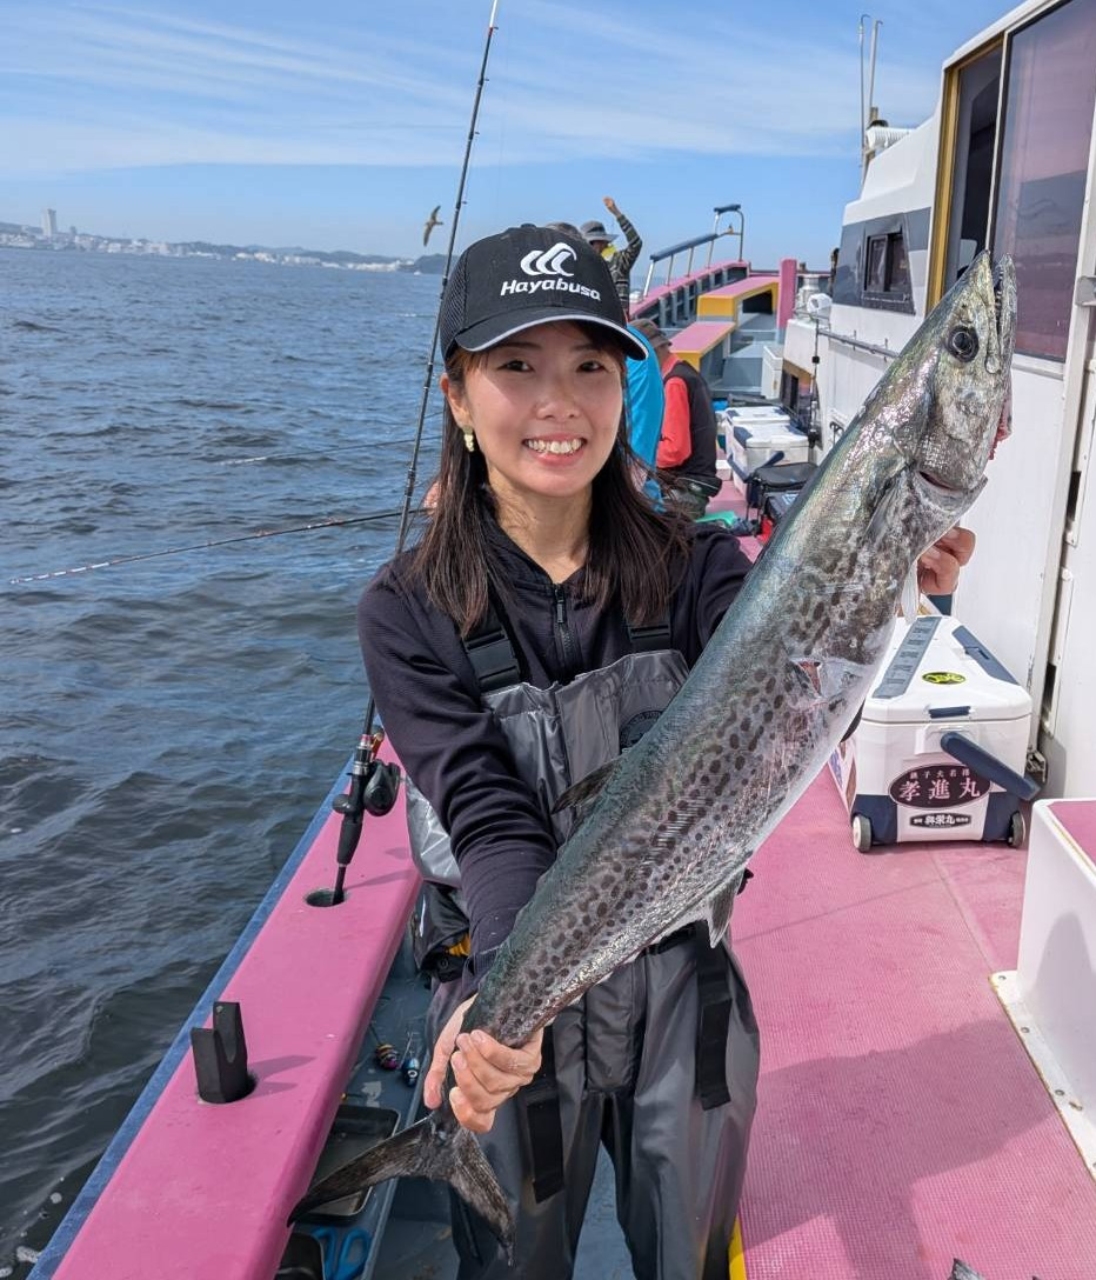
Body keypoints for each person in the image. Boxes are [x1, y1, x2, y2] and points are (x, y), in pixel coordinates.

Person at [357, 224, 975, 1279]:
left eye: (590, 365)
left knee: (685, 1254)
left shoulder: (697, 568)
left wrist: (898, 579)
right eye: (516, 365)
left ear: (622, 385)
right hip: (505, 963)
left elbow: (796, 681)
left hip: (682, 990)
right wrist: (502, 998)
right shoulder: (407, 610)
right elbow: (486, 810)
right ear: (458, 394)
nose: (559, 401)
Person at [635, 318, 721, 519]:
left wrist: (634, 458)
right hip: (691, 486)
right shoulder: (684, 372)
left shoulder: (674, 383)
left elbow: (675, 451)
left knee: (626, 510)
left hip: (687, 493)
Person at [580, 196, 642, 313]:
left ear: (603, 242)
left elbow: (636, 244)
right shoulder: (584, 266)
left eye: (592, 242)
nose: (589, 247)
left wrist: (617, 214)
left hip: (615, 322)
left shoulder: (619, 262)